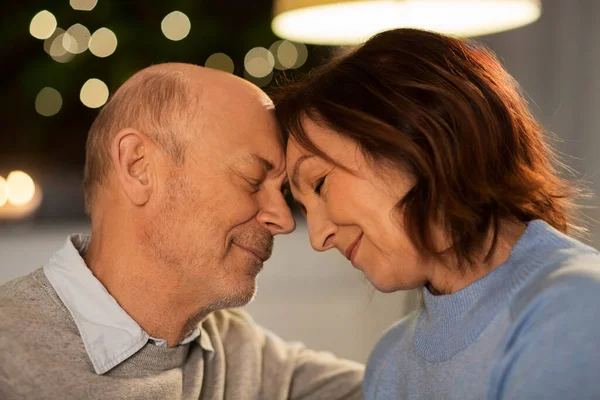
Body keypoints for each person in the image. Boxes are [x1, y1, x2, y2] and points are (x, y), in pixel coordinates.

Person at [0, 63, 364, 399]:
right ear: (139, 167)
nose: (283, 220)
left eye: (281, 191)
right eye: (252, 179)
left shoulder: (240, 354)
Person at [274, 28, 600, 399]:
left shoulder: (572, 308)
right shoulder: (390, 359)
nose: (318, 237)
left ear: (416, 134)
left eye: (319, 184)